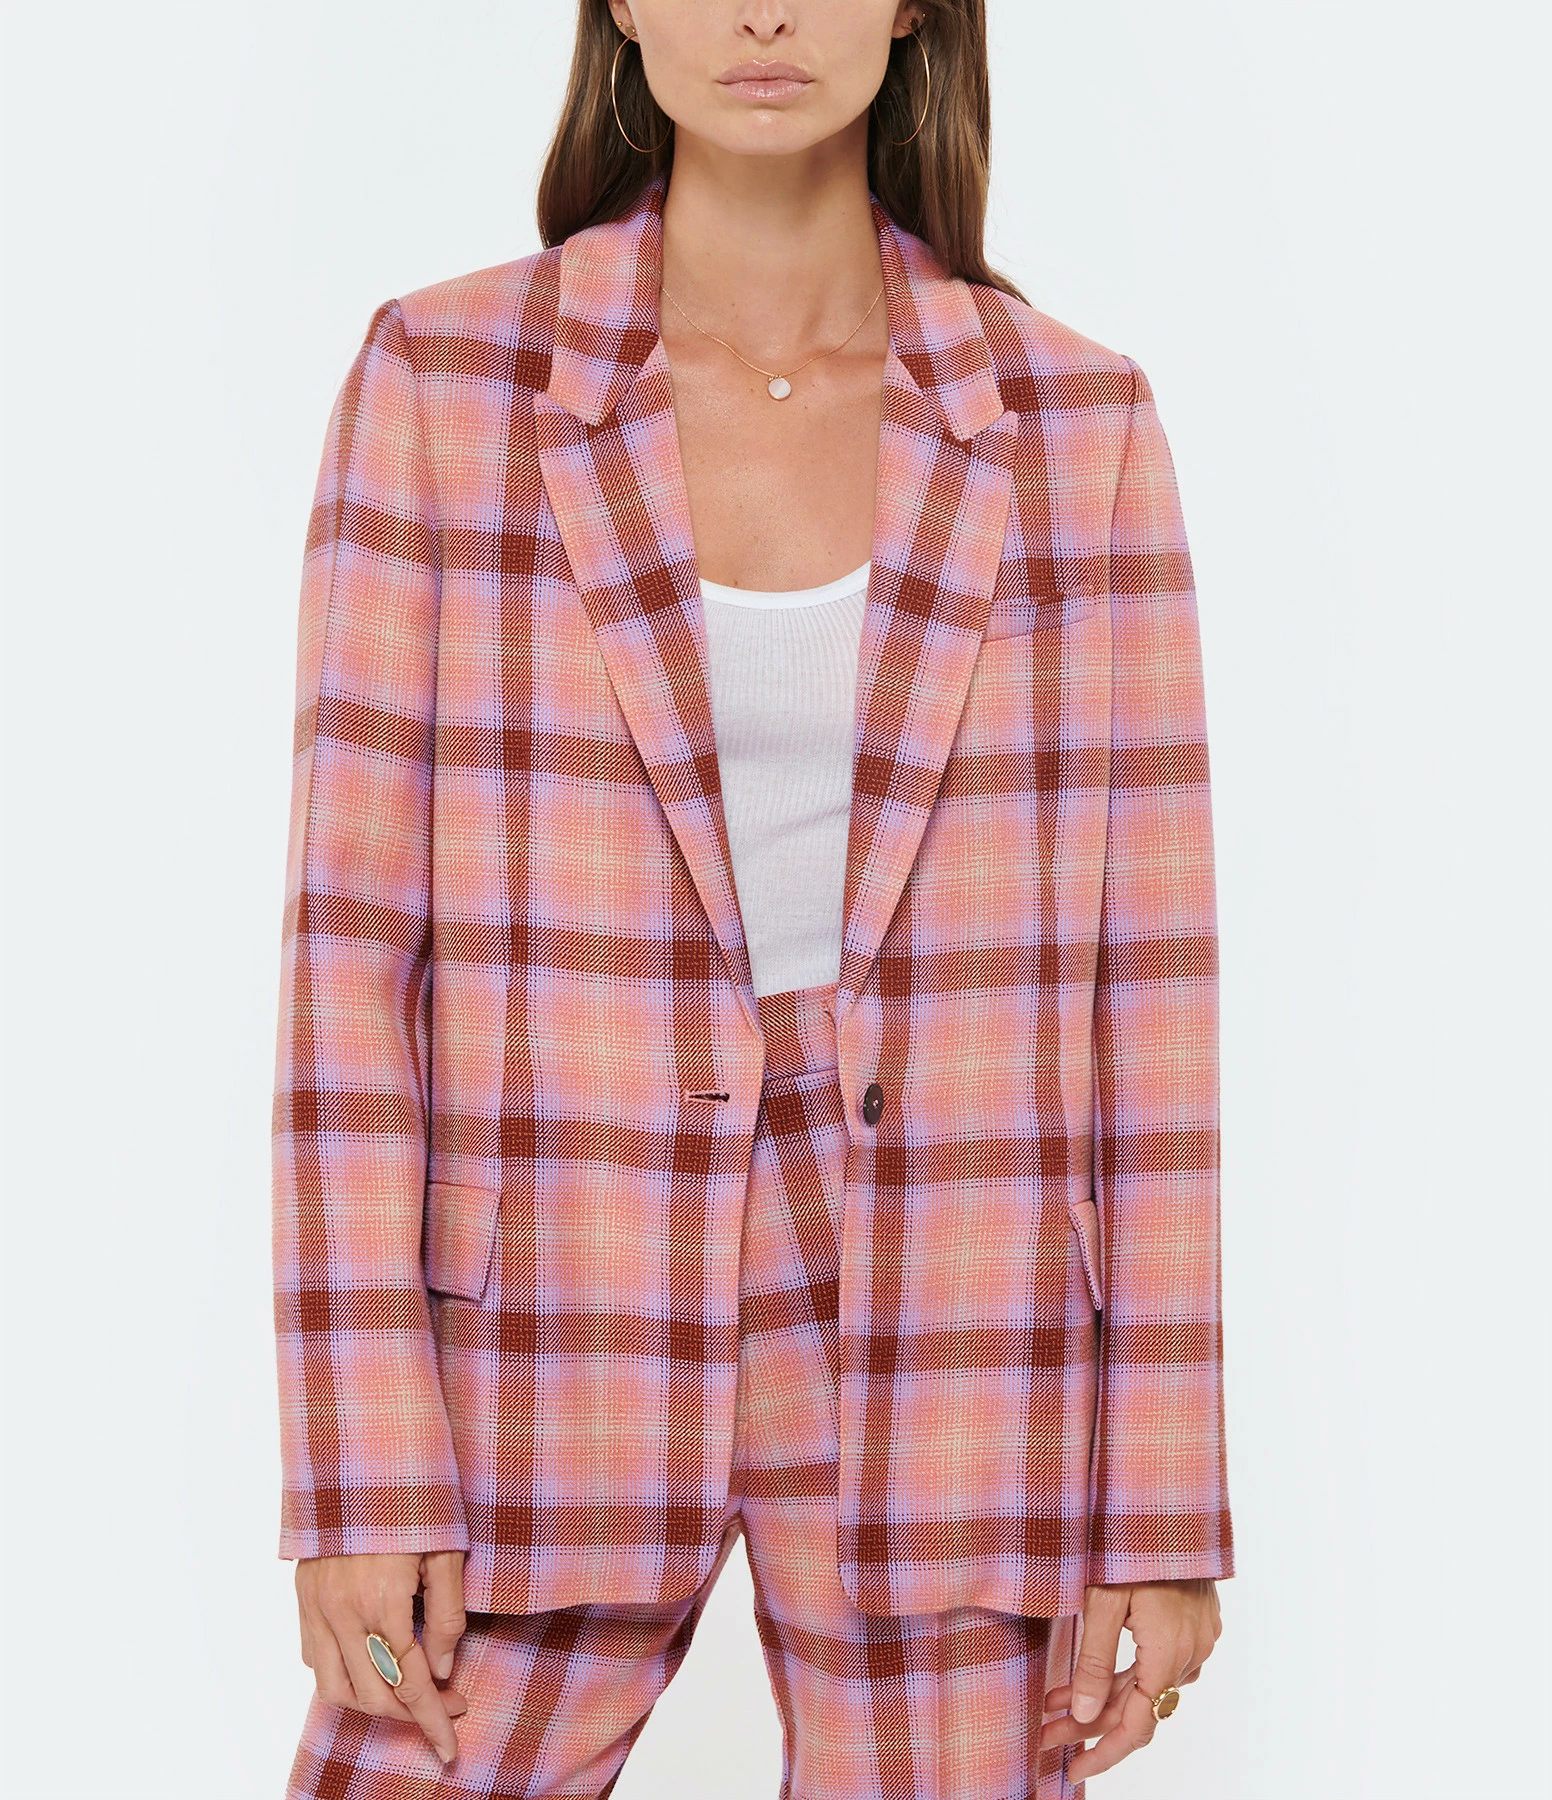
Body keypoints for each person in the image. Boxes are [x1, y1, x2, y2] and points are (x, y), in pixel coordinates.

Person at [270, 3, 1233, 1795]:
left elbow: (1149, 988)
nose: (766, 12)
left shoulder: (1069, 421)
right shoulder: (447, 383)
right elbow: (351, 959)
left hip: (959, 1320)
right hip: (547, 1306)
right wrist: (360, 1461)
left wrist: (1160, 1498)